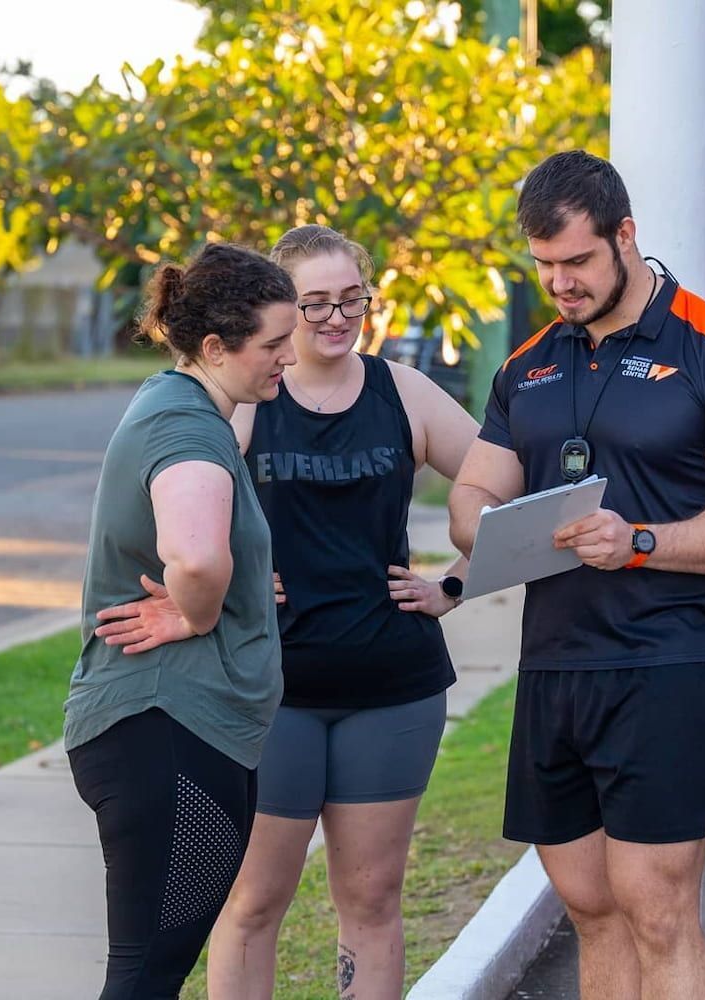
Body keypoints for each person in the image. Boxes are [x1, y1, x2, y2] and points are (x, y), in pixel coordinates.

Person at [448, 150, 705, 1000]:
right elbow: (472, 492)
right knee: (591, 910)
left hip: (671, 663)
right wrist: (492, 532)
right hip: (557, 667)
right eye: (544, 267)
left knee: (656, 910)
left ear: (626, 236)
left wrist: (640, 540)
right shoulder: (528, 362)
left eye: (577, 262)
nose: (560, 284)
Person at [204, 225, 479, 1000]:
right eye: (313, 302)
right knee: (254, 903)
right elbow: (180, 518)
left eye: (350, 299)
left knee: (371, 902)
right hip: (272, 691)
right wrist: (237, 579)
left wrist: (454, 584)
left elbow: (510, 492)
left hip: (392, 687)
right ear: (281, 307)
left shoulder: (405, 393)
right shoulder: (253, 397)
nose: (335, 317)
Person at [64, 242, 298, 999]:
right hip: (167, 733)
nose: (288, 357)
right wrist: (195, 613)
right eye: (273, 343)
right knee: (144, 978)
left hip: (173, 734)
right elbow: (195, 558)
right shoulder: (189, 428)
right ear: (213, 347)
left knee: (150, 973)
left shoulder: (184, 405)